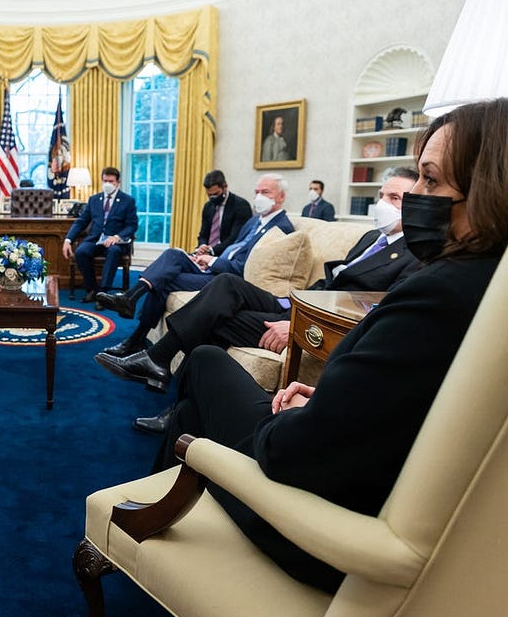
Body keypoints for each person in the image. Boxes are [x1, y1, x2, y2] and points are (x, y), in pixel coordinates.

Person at [148, 98, 508, 594]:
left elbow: (290, 454)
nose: (415, 197)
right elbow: (416, 406)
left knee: (206, 366)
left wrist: (291, 416)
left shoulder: (438, 295)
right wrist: (331, 401)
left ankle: (146, 521)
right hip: (366, 478)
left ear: (488, 190)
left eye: (429, 180)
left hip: (316, 531)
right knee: (193, 411)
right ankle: (155, 519)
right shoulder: (487, 288)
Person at [100, 168, 421, 432]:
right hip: (295, 301)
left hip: (310, 319)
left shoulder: (414, 255)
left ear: (418, 204)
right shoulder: (370, 238)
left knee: (215, 316)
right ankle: (158, 361)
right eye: (382, 196)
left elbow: (373, 313)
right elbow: (332, 281)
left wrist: (295, 324)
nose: (384, 203)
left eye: (394, 198)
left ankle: (170, 395)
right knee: (226, 285)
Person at [97, 175, 293, 357]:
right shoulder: (254, 221)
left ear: (282, 197)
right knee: (174, 253)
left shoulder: (281, 228)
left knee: (164, 280)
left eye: (265, 192)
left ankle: (136, 336)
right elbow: (233, 246)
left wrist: (214, 261)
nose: (259, 197)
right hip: (214, 265)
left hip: (226, 279)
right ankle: (130, 298)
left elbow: (246, 267)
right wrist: (206, 253)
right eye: (257, 192)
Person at [61, 167, 138, 303]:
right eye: (105, 181)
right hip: (95, 239)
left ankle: (103, 293)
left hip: (116, 241)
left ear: (118, 182)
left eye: (111, 181)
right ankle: (92, 289)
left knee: (113, 251)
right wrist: (68, 240)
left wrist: (117, 237)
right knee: (81, 252)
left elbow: (132, 225)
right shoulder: (94, 199)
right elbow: (81, 221)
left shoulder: (127, 201)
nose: (107, 184)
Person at [194, 169, 252, 256]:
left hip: (228, 254)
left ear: (225, 187)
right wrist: (202, 246)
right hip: (206, 254)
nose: (213, 197)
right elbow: (203, 234)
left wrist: (212, 251)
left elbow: (235, 238)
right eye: (209, 195)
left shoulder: (241, 206)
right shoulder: (208, 206)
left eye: (216, 194)